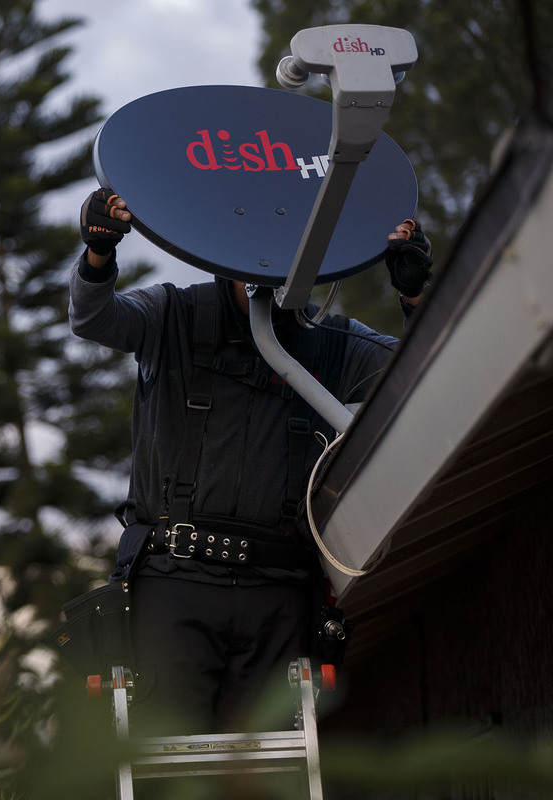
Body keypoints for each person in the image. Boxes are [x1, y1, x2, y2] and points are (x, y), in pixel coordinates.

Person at [70, 187, 433, 734]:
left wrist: (415, 297)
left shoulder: (332, 341)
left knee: (264, 779)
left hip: (278, 593)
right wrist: (99, 255)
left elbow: (425, 368)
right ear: (229, 252)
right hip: (176, 582)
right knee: (168, 771)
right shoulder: (175, 314)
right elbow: (95, 319)